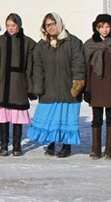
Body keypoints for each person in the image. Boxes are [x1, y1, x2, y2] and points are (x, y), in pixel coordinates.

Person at [28, 13, 86, 158]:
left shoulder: (73, 42)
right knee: (51, 118)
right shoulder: (41, 45)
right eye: (48, 25)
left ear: (59, 24)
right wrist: (38, 87)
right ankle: (51, 143)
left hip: (68, 88)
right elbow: (37, 67)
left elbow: (78, 63)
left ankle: (66, 146)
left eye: (53, 24)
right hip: (49, 89)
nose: (51, 27)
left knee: (66, 118)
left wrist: (78, 81)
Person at [0, 13, 35, 157]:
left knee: (17, 118)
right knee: (4, 117)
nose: (11, 28)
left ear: (19, 26)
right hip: (3, 84)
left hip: (19, 85)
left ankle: (17, 146)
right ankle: (3, 145)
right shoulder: (0, 41)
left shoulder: (28, 43)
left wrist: (31, 87)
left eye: (13, 25)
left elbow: (31, 67)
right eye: (8, 25)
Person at [83, 14, 111, 159]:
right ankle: (95, 149)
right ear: (96, 28)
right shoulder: (89, 44)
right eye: (101, 27)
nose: (105, 30)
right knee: (97, 118)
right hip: (95, 85)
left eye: (107, 27)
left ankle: (110, 149)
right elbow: (86, 69)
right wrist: (86, 89)